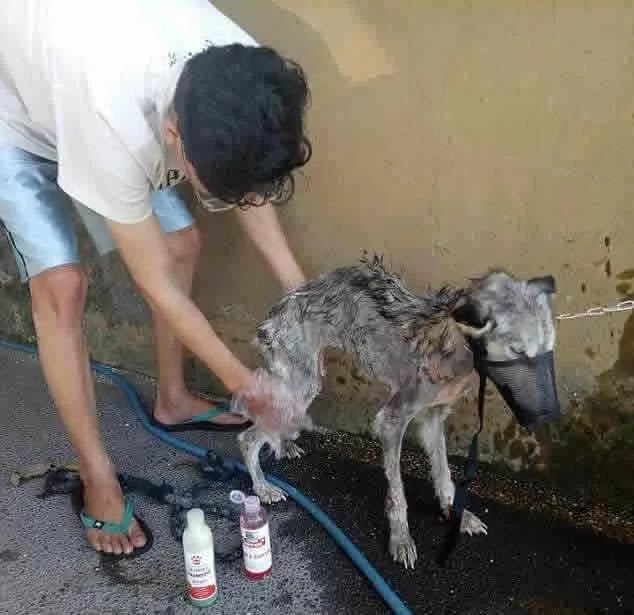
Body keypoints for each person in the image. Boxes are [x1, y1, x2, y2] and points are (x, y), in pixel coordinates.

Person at [0, 0, 311, 557]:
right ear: (174, 134)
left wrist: (303, 297)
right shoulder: (109, 113)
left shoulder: (237, 68)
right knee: (62, 288)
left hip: (79, 80)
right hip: (14, 114)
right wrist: (249, 385)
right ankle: (98, 477)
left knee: (182, 241)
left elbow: (250, 179)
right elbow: (155, 282)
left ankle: (173, 398)